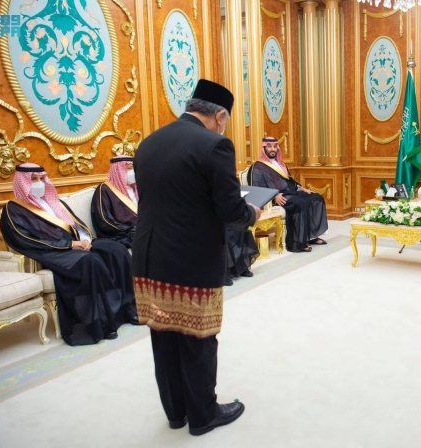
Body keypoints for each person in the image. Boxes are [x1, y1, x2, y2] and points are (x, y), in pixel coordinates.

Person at [132, 79, 261, 436]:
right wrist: (252, 213)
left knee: (164, 334)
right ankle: (204, 415)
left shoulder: (150, 142)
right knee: (198, 336)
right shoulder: (215, 145)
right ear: (219, 115)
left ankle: (176, 412)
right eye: (226, 119)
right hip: (190, 258)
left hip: (148, 258)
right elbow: (230, 211)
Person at [0, 164, 138, 345]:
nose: (39, 183)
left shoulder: (54, 202)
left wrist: (85, 239)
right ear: (22, 182)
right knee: (89, 261)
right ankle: (98, 322)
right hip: (50, 252)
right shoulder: (13, 210)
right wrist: (69, 245)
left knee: (116, 250)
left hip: (77, 244)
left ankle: (127, 309)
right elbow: (25, 240)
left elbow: (75, 226)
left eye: (42, 179)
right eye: (34, 179)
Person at [250, 136, 328, 253]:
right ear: (264, 148)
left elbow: (289, 181)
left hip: (291, 191)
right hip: (277, 196)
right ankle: (298, 243)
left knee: (316, 198)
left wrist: (301, 188)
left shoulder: (280, 163)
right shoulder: (258, 166)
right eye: (269, 147)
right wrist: (274, 196)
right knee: (300, 204)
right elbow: (257, 188)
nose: (272, 149)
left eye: (275, 146)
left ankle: (310, 237)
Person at [91, 156, 138, 248]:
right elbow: (104, 221)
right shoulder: (104, 190)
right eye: (129, 169)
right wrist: (131, 230)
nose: (133, 173)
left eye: (134, 169)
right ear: (118, 171)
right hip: (120, 233)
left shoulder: (135, 188)